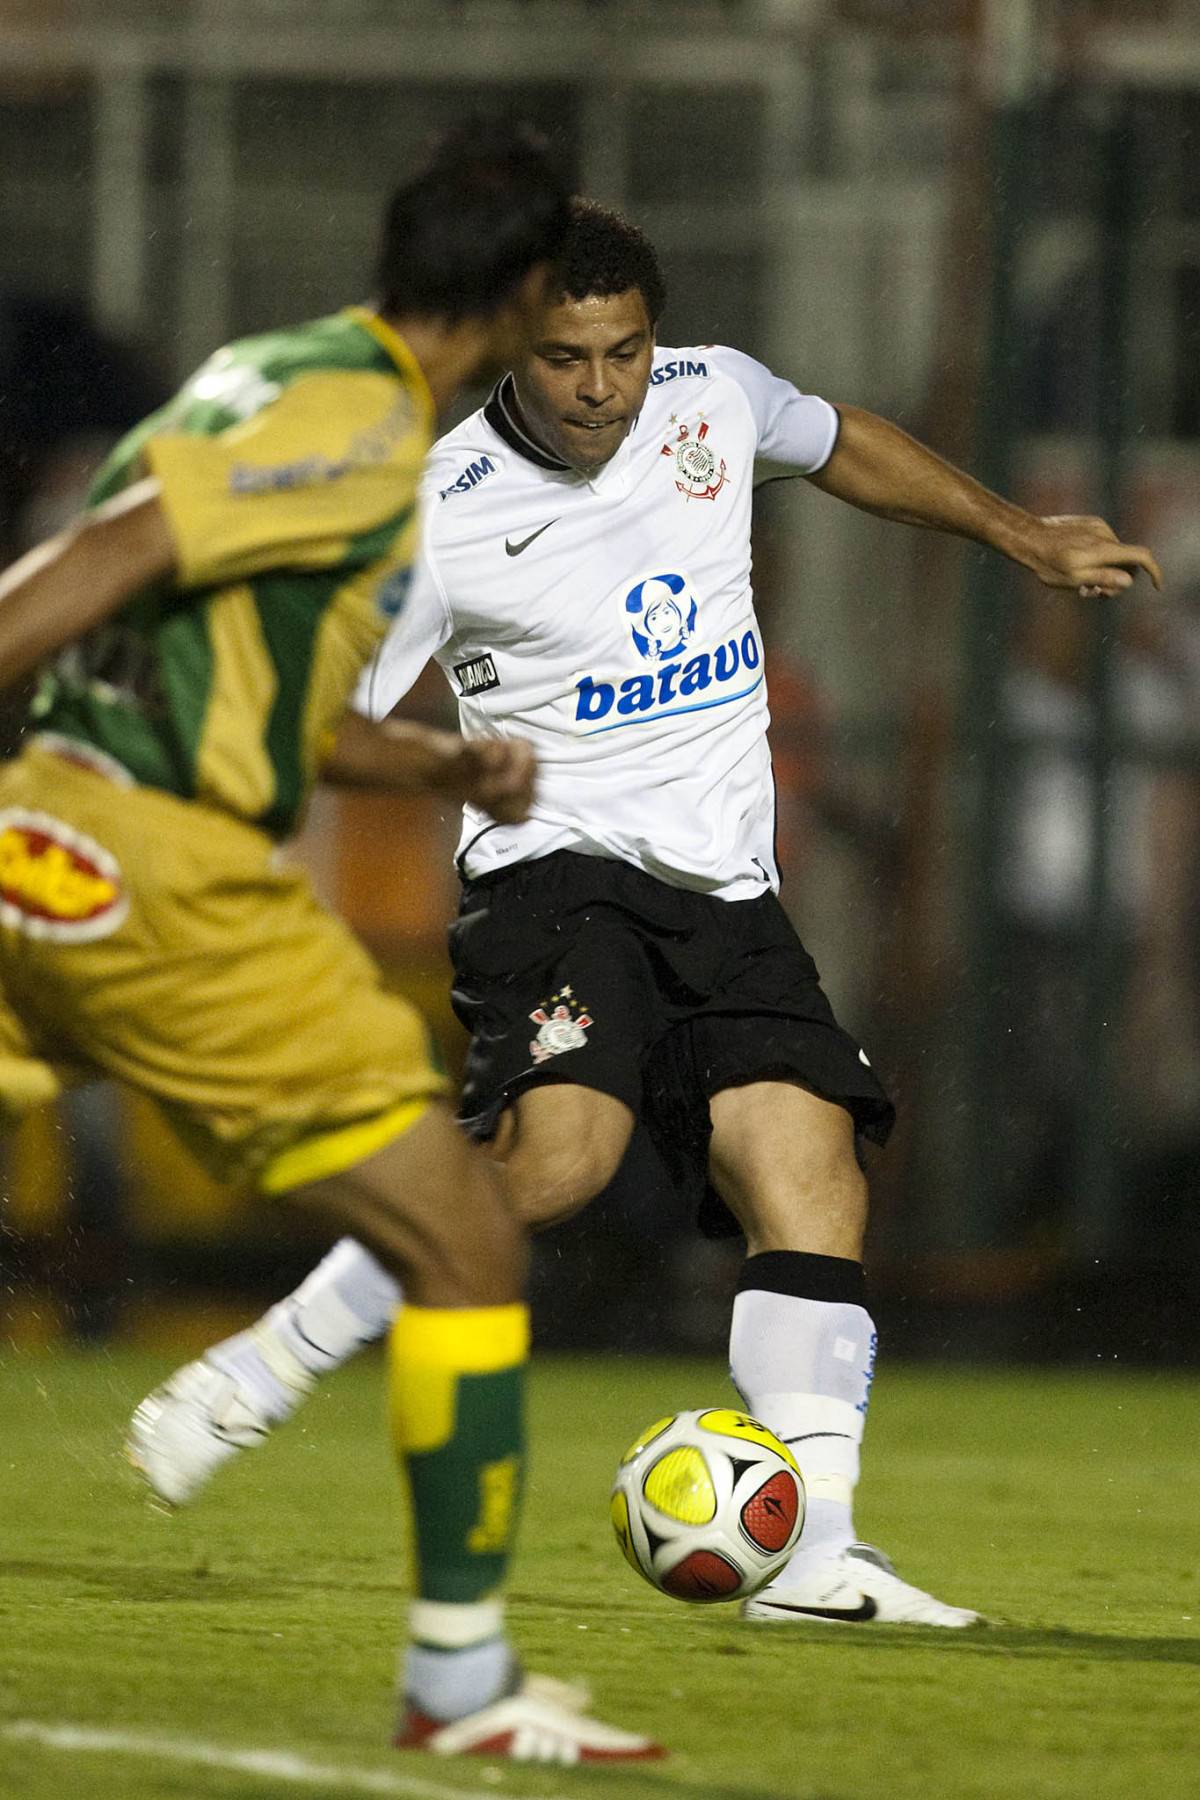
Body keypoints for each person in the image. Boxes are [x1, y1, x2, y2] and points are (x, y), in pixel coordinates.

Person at [129, 201, 1162, 1627]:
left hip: (726, 889)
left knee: (815, 1179)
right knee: (561, 1161)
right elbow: (319, 714)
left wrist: (1017, 533)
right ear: (512, 345)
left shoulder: (711, 398)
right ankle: (259, 1371)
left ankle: (812, 1562)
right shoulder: (437, 509)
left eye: (623, 350)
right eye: (566, 357)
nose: (601, 386)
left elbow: (836, 437)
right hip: (553, 877)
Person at [0, 137, 663, 1763]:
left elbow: (241, 679)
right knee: (464, 1241)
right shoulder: (358, 422)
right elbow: (106, 562)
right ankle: (457, 1684)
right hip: (163, 881)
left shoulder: (257, 373)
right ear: (517, 297)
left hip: (45, 835)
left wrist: (436, 763)